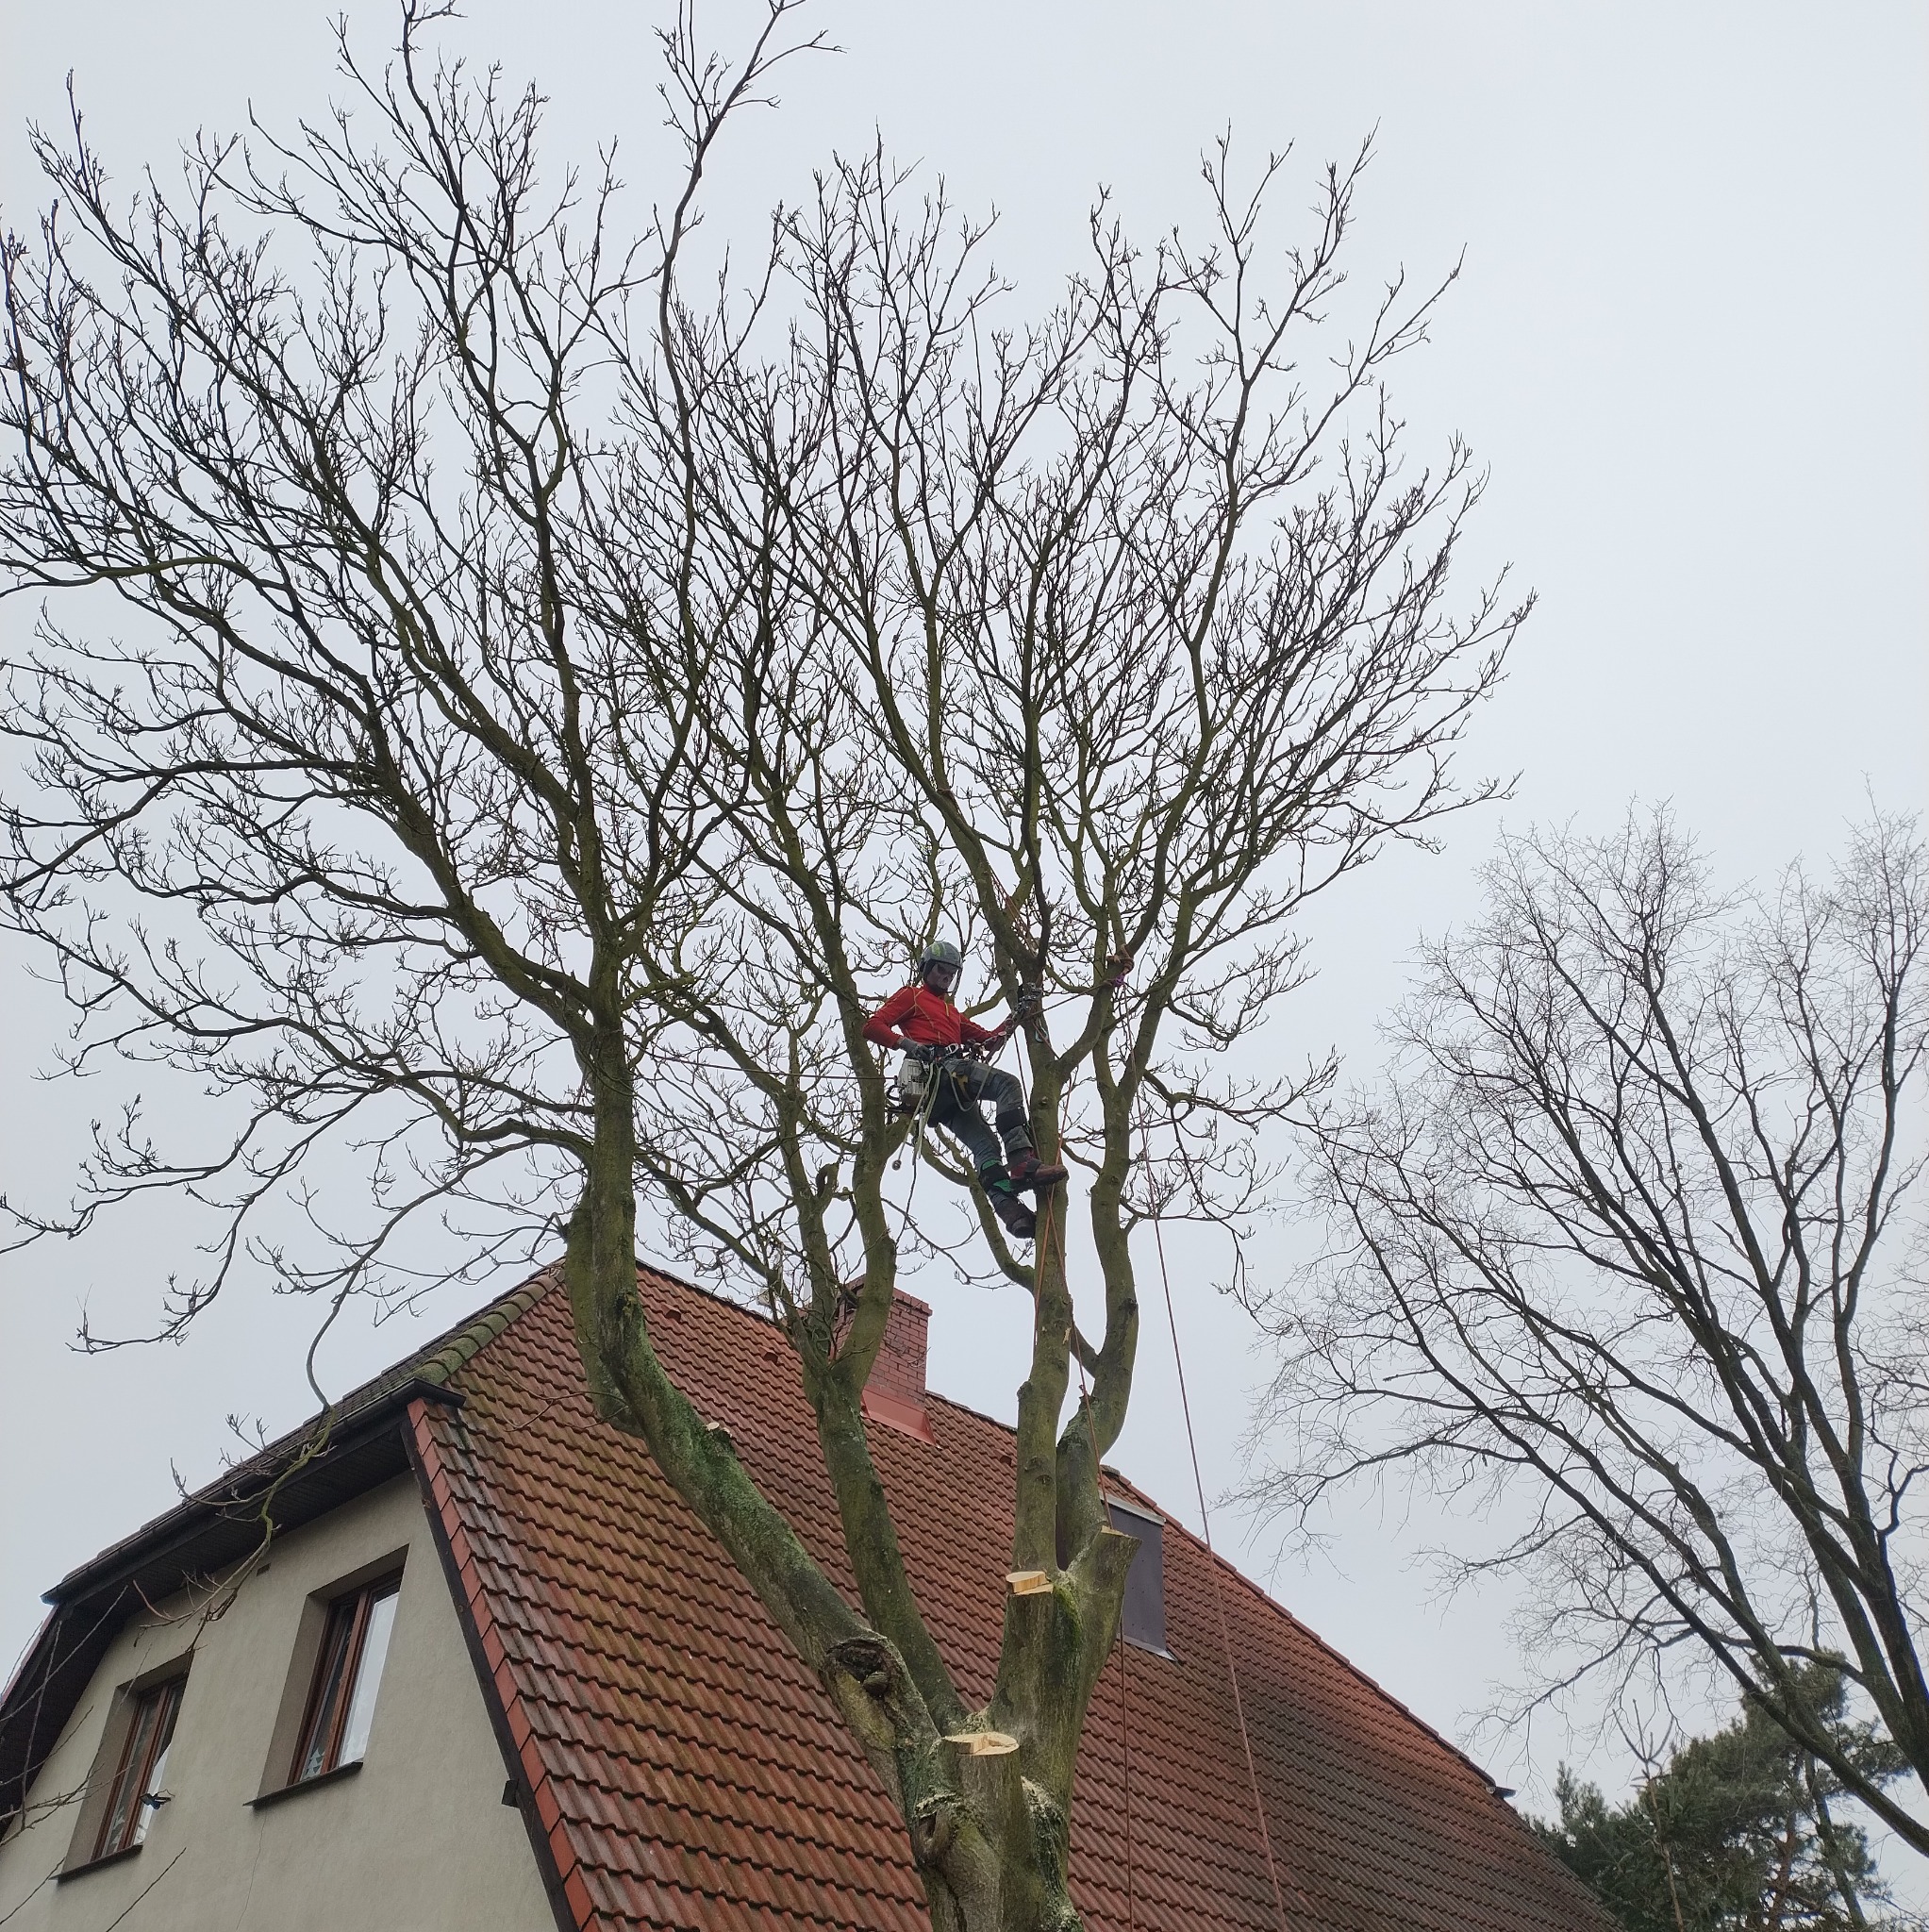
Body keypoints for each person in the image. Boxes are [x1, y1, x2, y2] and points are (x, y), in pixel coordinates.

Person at [864, 941, 1066, 1240]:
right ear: (926, 970)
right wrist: (909, 1045)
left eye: (950, 974)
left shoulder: (952, 1012)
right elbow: (873, 1026)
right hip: (938, 1070)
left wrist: (1018, 1012)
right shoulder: (913, 996)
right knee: (1006, 1084)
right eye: (940, 971)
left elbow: (990, 1040)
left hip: (948, 1096)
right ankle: (1022, 1161)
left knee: (986, 1145)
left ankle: (1011, 1212)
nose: (945, 978)